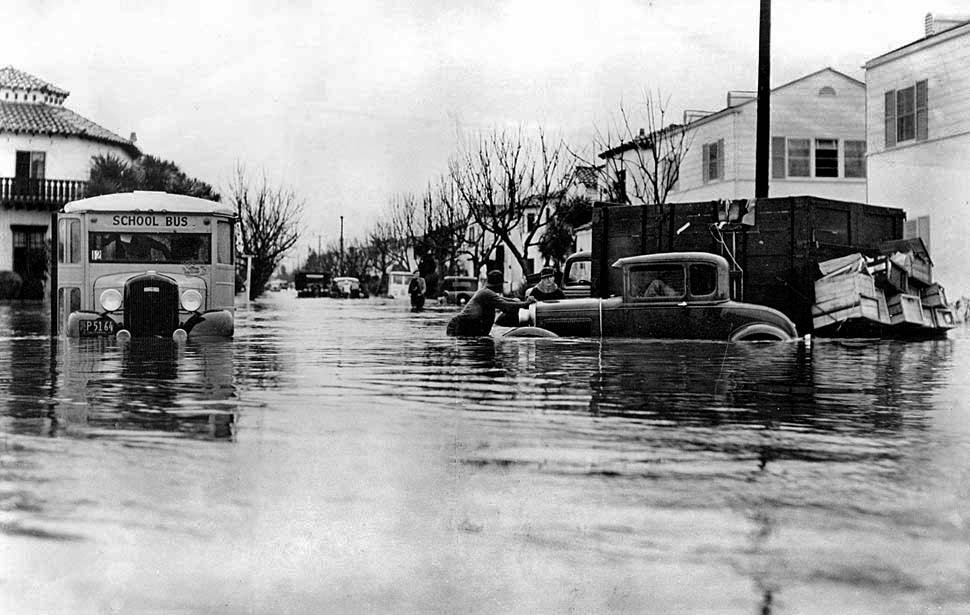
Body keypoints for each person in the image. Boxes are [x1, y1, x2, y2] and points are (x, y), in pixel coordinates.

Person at [446, 270, 535, 336]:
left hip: (465, 327)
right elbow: (506, 305)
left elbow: (504, 299)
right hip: (460, 327)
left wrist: (520, 301)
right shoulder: (486, 294)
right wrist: (526, 303)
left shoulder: (487, 293)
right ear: (497, 285)